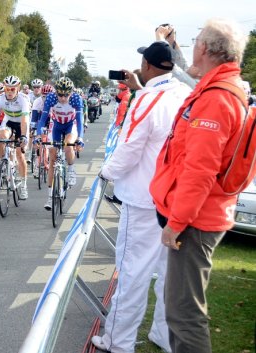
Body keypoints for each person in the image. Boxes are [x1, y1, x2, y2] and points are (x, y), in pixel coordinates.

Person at [149, 18, 248, 353]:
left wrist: (175, 224)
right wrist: (173, 46)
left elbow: (200, 171)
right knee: (179, 309)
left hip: (194, 222)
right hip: (200, 216)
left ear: (204, 48)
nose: (192, 48)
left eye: (195, 43)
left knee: (184, 314)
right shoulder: (217, 87)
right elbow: (186, 74)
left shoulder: (217, 99)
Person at [92, 41, 191, 353]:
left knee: (133, 272)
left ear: (147, 66)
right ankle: (164, 335)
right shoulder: (184, 95)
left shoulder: (148, 98)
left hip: (143, 198)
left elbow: (131, 147)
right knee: (168, 273)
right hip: (174, 199)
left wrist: (106, 172)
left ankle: (117, 341)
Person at [36, 77, 84, 210]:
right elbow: (43, 119)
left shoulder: (76, 98)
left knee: (68, 144)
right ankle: (50, 197)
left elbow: (80, 121)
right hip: (56, 125)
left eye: (66, 95)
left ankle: (71, 170)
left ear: (71, 93)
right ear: (56, 92)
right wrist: (39, 136)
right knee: (52, 159)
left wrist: (80, 138)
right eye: (60, 94)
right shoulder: (51, 97)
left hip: (70, 125)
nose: (63, 98)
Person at [0, 75, 30, 199]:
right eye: (7, 89)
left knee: (20, 154)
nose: (9, 92)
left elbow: (25, 120)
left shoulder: (23, 99)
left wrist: (24, 137)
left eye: (12, 89)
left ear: (18, 88)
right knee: (1, 135)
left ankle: (23, 185)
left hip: (21, 123)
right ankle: (3, 162)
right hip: (8, 121)